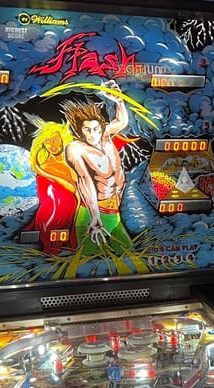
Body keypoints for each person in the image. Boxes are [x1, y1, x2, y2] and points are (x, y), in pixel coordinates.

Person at [63, 80, 134, 256]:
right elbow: (85, 181)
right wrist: (94, 216)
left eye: (95, 129)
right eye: (87, 130)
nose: (92, 134)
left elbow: (121, 121)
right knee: (90, 266)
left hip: (113, 212)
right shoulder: (76, 148)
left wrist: (118, 101)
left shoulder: (105, 136)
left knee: (130, 258)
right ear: (79, 131)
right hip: (93, 216)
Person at [23, 120, 78, 254]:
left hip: (68, 211)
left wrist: (45, 173)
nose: (52, 145)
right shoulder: (42, 163)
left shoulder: (70, 161)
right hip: (49, 212)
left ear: (62, 140)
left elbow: (74, 188)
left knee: (60, 246)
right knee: (49, 240)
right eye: (48, 141)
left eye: (55, 140)